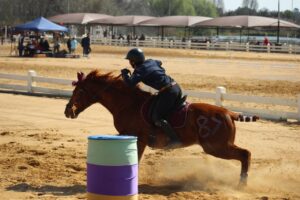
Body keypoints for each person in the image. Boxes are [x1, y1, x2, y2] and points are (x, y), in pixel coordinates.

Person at [121, 48, 183, 147]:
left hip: (168, 92)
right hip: (176, 87)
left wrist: (125, 74)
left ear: (133, 61)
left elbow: (130, 84)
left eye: (129, 61)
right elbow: (160, 62)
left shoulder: (140, 70)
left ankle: (175, 139)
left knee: (156, 117)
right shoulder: (151, 61)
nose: (129, 63)